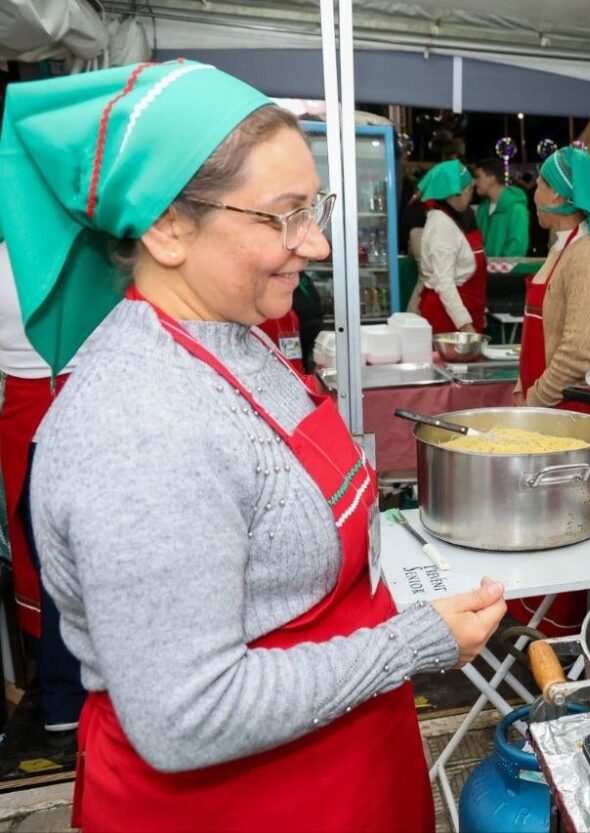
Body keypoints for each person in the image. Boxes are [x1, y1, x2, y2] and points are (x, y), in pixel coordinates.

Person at [2, 61, 506, 831]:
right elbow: (189, 714)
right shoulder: (140, 421)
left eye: (318, 207)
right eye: (285, 215)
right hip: (241, 805)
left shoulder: (235, 336)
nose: (319, 242)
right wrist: (415, 640)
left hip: (344, 769)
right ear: (168, 227)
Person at [510, 145, 590, 636]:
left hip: (566, 416)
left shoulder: (589, 259)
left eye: (539, 183)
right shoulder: (565, 247)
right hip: (545, 409)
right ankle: (531, 631)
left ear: (558, 193)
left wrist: (534, 403)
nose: (533, 192)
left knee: (558, 532)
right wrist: (520, 390)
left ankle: (557, 639)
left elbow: (577, 353)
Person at [0, 244, 87, 738]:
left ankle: (63, 694)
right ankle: (66, 693)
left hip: (47, 395)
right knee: (60, 551)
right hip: (47, 395)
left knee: (51, 549)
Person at [409, 159, 487, 334]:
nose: (471, 195)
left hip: (461, 311)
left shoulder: (454, 219)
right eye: (469, 190)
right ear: (455, 194)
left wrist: (479, 310)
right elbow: (445, 283)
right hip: (446, 319)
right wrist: (465, 325)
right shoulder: (442, 225)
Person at [472, 157, 530, 258]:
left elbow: (516, 249)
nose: (474, 182)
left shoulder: (517, 209)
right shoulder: (482, 209)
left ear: (492, 178)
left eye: (478, 177)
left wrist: (495, 268)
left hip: (506, 273)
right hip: (485, 272)